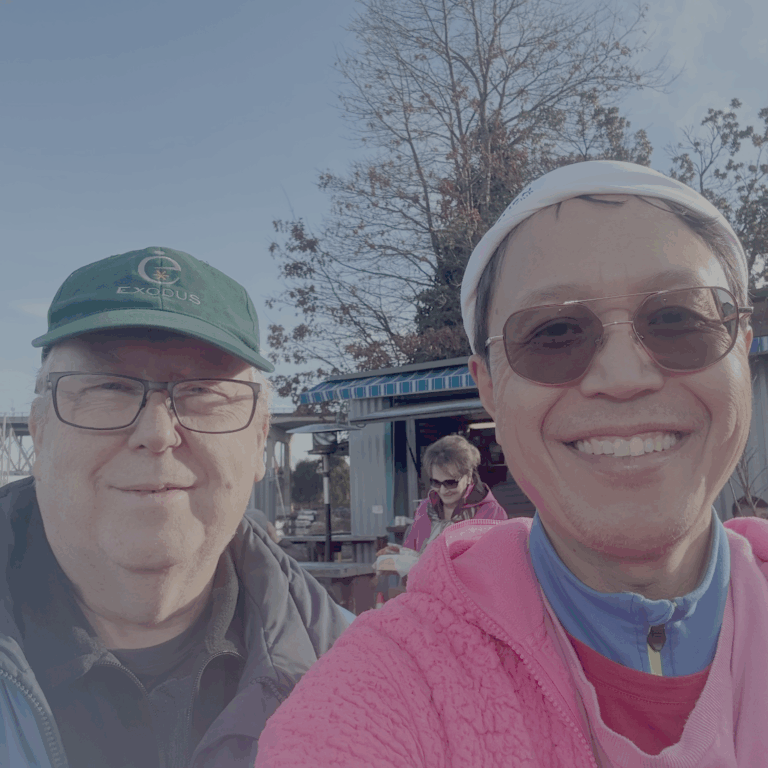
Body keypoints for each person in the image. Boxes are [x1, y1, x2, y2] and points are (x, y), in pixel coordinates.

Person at [255, 161, 768, 767]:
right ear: (489, 390)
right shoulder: (387, 687)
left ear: (742, 345)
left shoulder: (486, 512)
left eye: (680, 317)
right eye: (553, 332)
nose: (624, 377)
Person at [0, 247, 350, 768]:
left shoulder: (362, 673)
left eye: (205, 392)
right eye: (109, 388)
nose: (158, 434)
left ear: (258, 443)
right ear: (40, 431)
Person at [377, 434, 506, 558]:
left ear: (469, 476)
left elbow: (492, 562)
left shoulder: (491, 513)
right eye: (436, 482)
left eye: (451, 482)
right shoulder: (425, 508)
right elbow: (413, 551)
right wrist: (399, 555)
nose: (443, 490)